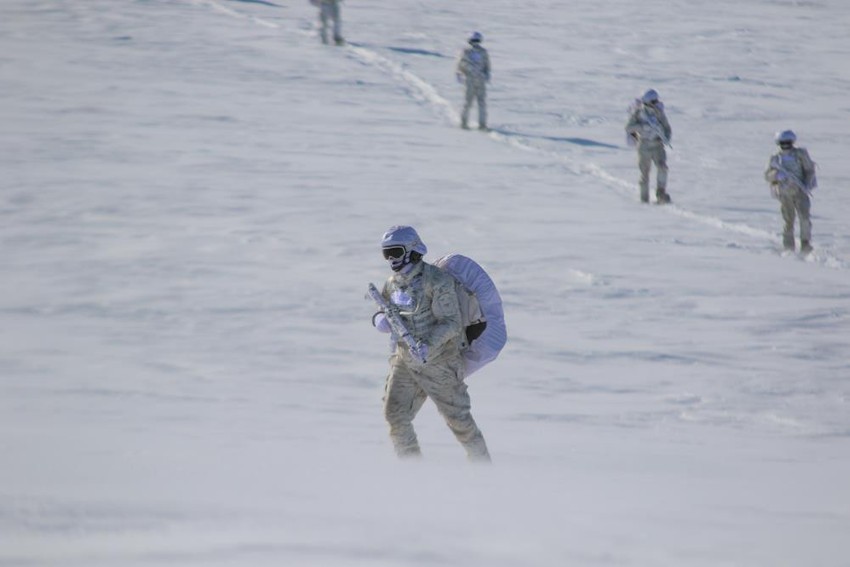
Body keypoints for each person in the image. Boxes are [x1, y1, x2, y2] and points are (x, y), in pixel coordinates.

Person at [371, 225, 491, 461]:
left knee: (460, 422)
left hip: (440, 362)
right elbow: (382, 308)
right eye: (387, 254)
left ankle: (483, 468)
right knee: (395, 414)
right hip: (405, 361)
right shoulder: (393, 283)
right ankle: (412, 469)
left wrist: (428, 345)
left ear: (411, 250)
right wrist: (379, 320)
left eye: (395, 252)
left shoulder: (436, 281)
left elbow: (451, 323)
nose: (391, 259)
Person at [764, 129, 817, 253]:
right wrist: (777, 175)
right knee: (789, 220)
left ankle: (805, 244)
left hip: (800, 191)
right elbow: (767, 175)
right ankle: (788, 246)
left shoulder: (800, 154)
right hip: (784, 193)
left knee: (804, 218)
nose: (786, 145)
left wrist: (807, 184)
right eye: (783, 142)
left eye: (787, 142)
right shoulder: (775, 158)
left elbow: (809, 170)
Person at [625, 89, 672, 204]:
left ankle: (661, 193)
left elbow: (667, 128)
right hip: (644, 145)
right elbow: (628, 127)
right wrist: (642, 127)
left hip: (657, 145)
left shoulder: (659, 113)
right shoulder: (638, 113)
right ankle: (644, 200)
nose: (656, 103)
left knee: (662, 168)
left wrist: (666, 137)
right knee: (644, 174)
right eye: (653, 101)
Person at [456, 32, 491, 131]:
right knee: (468, 102)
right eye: (473, 41)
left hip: (480, 79)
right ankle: (464, 123)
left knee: (482, 102)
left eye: (477, 41)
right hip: (469, 79)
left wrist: (487, 74)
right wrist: (462, 73)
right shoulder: (465, 52)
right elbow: (460, 64)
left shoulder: (483, 52)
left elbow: (487, 65)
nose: (475, 43)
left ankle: (482, 124)